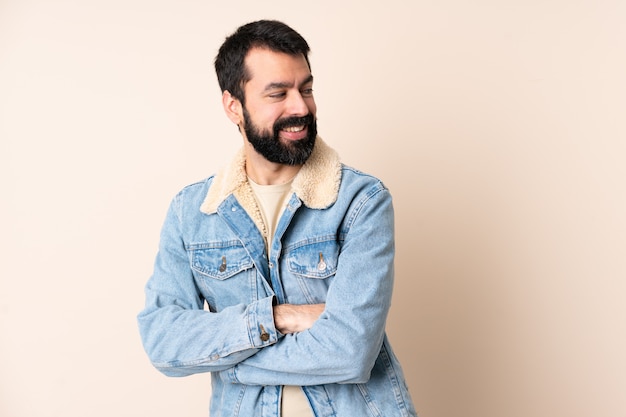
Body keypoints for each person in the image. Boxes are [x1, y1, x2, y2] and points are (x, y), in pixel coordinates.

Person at [137, 20, 417, 417]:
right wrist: (277, 317)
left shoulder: (360, 200)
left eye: (306, 88)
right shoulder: (193, 211)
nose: (301, 107)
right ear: (233, 105)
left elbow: (350, 352)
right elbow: (164, 342)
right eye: (278, 93)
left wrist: (229, 360)